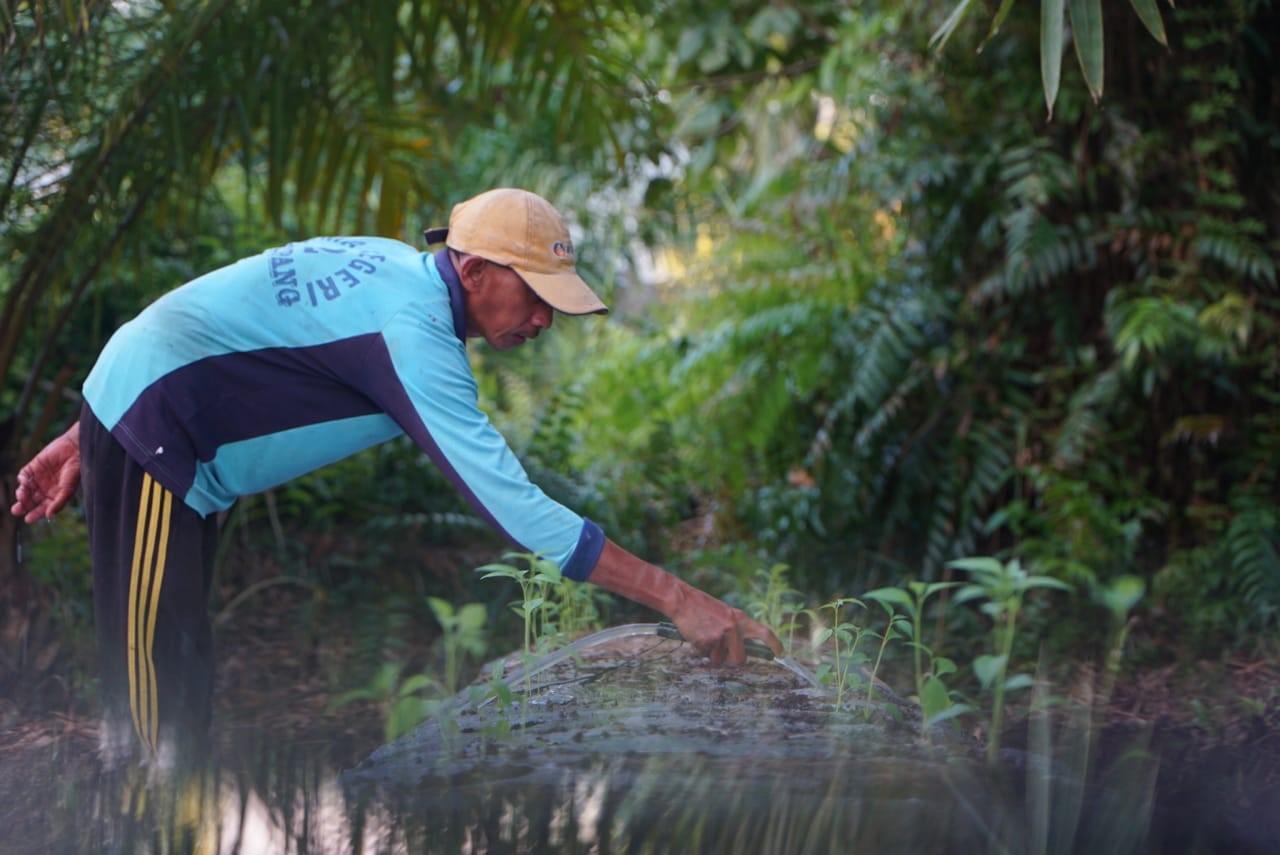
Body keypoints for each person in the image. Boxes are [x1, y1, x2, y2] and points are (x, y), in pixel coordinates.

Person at [10, 187, 781, 766]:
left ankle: (158, 823)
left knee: (182, 667)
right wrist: (683, 599)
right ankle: (118, 830)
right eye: (537, 298)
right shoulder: (412, 331)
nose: (545, 321)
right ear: (474, 269)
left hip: (149, 427)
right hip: (152, 433)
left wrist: (86, 432)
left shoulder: (393, 272)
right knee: (152, 688)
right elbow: (514, 506)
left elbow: (226, 317)